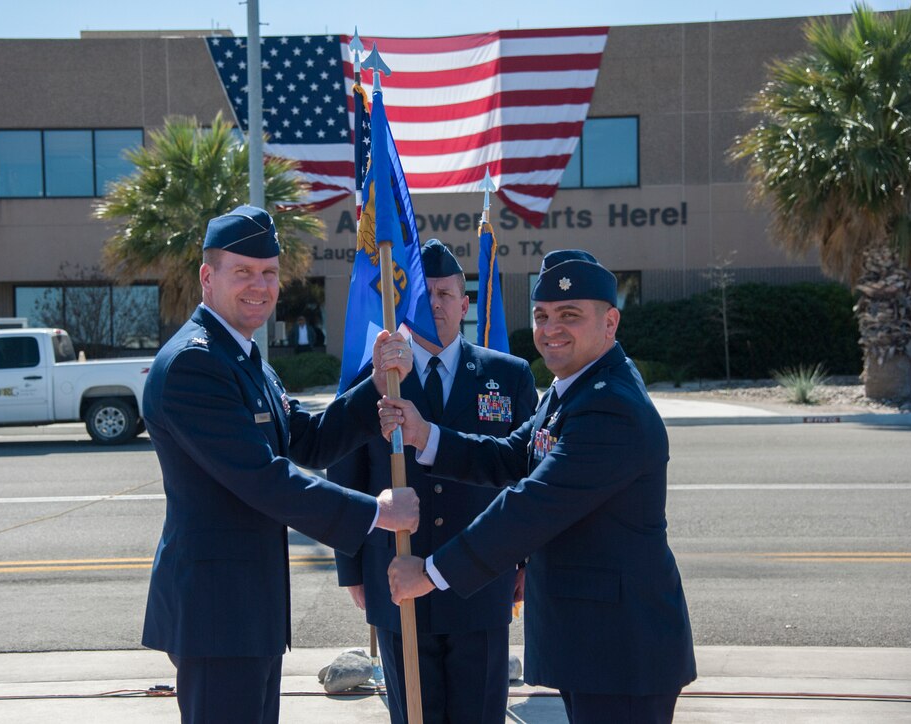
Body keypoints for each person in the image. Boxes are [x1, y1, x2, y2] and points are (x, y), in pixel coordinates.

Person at [381, 250, 696, 724]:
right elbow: (511, 456)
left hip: (622, 650)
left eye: (570, 315)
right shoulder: (573, 388)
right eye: (542, 315)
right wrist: (426, 436)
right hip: (594, 642)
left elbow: (530, 507)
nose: (551, 329)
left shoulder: (611, 407)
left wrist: (429, 573)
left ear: (610, 323)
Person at [140, 205, 420, 724]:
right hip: (217, 613)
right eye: (243, 271)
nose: (260, 286)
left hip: (247, 609)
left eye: (268, 273)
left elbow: (307, 441)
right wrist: (377, 513)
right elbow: (264, 479)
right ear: (207, 277)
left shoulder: (244, 358)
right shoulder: (195, 363)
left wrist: (377, 385)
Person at [330, 239, 538, 723]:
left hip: (481, 580)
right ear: (408, 305)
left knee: (479, 713)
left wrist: (527, 561)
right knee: (414, 715)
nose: (437, 305)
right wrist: (352, 569)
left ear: (465, 305)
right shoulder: (375, 379)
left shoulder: (507, 376)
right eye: (426, 296)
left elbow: (529, 478)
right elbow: (346, 475)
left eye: (447, 294)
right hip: (396, 576)